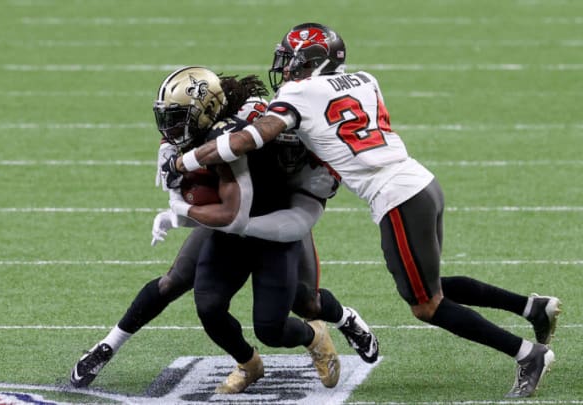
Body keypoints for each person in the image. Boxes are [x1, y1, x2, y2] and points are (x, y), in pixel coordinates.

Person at [164, 23, 562, 398]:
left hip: (396, 198)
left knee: (426, 305)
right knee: (429, 283)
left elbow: (251, 138)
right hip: (421, 182)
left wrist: (186, 163)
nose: (285, 69)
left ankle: (528, 354)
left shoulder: (298, 95)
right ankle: (533, 308)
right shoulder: (365, 80)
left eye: (292, 60)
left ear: (314, 61)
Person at [70, 66, 378, 393]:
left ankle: (336, 325)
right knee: (194, 295)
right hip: (228, 222)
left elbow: (248, 215)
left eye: (178, 118)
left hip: (280, 220)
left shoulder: (297, 153)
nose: (171, 128)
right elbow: (186, 172)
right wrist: (179, 191)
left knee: (300, 307)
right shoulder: (213, 127)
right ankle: (244, 362)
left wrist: (184, 211)